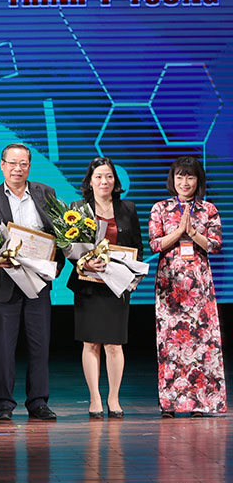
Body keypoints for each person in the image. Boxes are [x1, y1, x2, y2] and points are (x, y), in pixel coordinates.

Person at [0, 143, 64, 421]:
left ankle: (38, 402)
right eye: (12, 163)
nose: (18, 168)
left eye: (23, 163)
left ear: (29, 166)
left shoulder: (46, 193)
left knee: (40, 345)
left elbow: (60, 235)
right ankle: (3, 404)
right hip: (3, 283)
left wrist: (55, 267)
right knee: (3, 347)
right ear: (2, 165)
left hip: (38, 282)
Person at [149, 156, 225, 417]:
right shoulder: (160, 208)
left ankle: (199, 403)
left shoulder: (208, 209)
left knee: (201, 344)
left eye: (190, 177)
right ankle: (170, 404)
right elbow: (155, 244)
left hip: (199, 285)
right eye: (180, 176)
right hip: (170, 285)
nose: (185, 182)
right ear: (173, 179)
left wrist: (193, 233)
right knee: (170, 344)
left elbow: (215, 245)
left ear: (198, 180)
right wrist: (179, 231)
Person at [67, 157, 143, 419]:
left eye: (109, 176)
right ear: (90, 181)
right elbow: (68, 247)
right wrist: (85, 261)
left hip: (116, 286)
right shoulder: (77, 209)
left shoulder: (128, 208)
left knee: (114, 344)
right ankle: (95, 398)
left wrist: (132, 275)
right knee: (91, 343)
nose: (104, 181)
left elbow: (137, 247)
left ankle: (114, 398)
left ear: (115, 181)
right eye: (98, 176)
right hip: (88, 286)